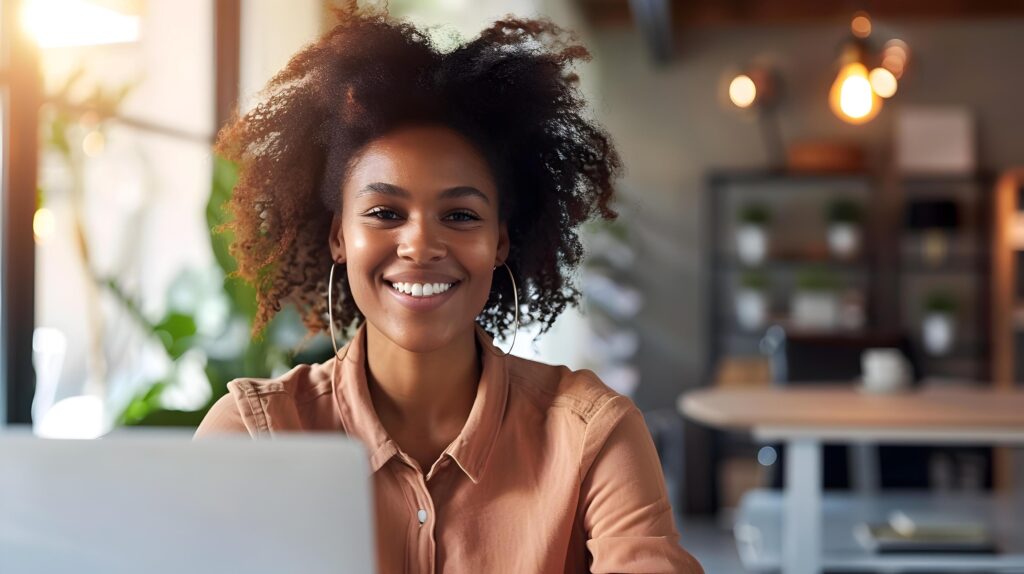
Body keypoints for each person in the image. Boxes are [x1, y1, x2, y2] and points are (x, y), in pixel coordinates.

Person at [195, 5, 702, 573]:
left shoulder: (593, 435)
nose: (421, 244)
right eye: (385, 211)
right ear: (339, 236)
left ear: (501, 242)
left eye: (460, 216)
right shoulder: (253, 436)